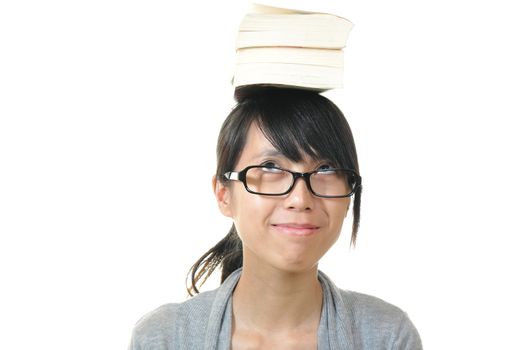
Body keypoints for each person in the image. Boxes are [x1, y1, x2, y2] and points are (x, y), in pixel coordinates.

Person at [128, 87, 423, 349]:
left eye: (325, 170)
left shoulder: (387, 337)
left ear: (349, 195)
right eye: (270, 167)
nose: (300, 199)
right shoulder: (164, 338)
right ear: (223, 194)